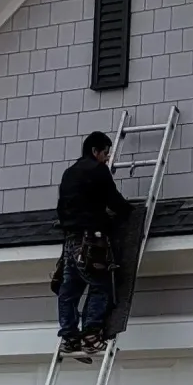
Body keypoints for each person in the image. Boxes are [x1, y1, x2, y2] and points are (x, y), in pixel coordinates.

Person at [55, 130, 130, 357]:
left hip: (69, 240)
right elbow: (113, 200)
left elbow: (63, 206)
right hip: (91, 240)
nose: (107, 158)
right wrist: (130, 213)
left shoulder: (69, 173)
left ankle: (69, 336)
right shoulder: (98, 171)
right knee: (101, 286)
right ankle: (90, 336)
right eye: (105, 153)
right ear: (95, 151)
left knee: (69, 290)